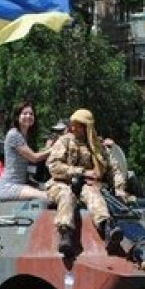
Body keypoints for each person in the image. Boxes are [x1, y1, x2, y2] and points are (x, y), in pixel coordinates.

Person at [46, 108, 128, 257]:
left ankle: (107, 228)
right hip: (61, 183)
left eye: (77, 125)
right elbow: (53, 166)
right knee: (66, 195)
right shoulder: (65, 141)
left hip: (88, 186)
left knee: (94, 195)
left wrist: (119, 189)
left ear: (86, 127)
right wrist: (81, 172)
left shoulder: (98, 147)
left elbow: (115, 170)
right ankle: (65, 235)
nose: (72, 127)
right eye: (72, 124)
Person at [0, 101, 50, 201]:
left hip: (22, 183)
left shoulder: (25, 136)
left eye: (31, 114)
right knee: (47, 197)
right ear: (17, 116)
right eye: (24, 113)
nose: (28, 116)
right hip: (9, 186)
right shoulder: (14, 135)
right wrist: (55, 148)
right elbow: (34, 158)